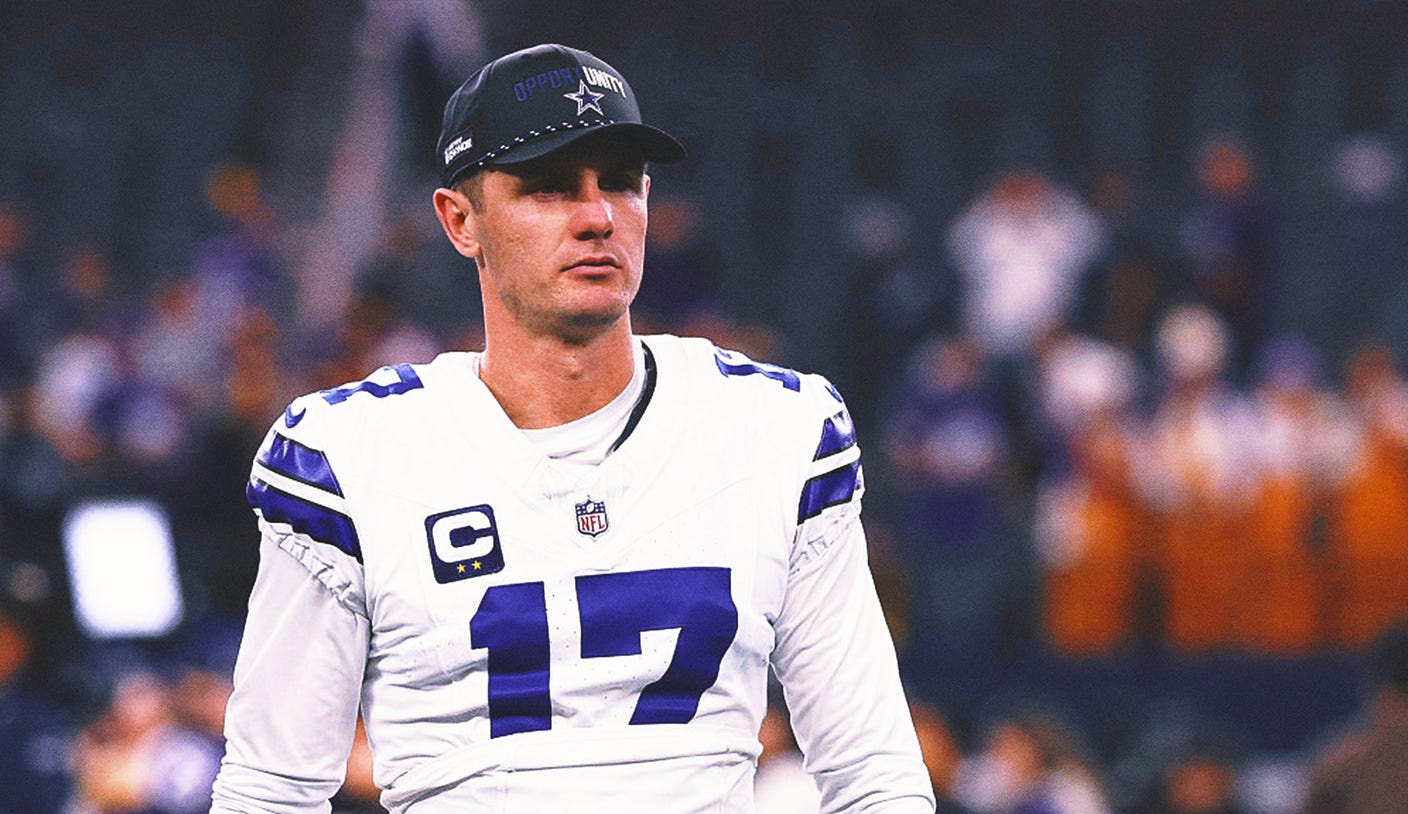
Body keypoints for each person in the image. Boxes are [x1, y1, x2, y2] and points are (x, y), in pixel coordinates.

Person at [211, 43, 933, 813]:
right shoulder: (349, 456)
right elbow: (270, 792)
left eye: (619, 183)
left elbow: (874, 777)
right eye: (549, 187)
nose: (597, 217)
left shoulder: (777, 428)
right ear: (460, 220)